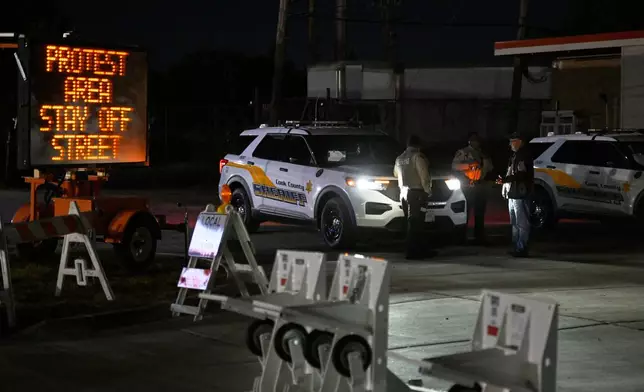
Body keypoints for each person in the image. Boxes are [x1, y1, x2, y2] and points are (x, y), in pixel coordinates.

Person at [394, 135, 432, 259]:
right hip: (416, 193)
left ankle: (414, 250)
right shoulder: (418, 157)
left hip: (403, 193)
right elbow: (424, 176)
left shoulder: (400, 158)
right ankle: (414, 252)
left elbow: (395, 173)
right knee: (417, 223)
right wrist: (427, 192)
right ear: (418, 145)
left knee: (410, 223)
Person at [496, 133, 534, 257]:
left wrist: (506, 180)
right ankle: (517, 247)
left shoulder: (523, 155)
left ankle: (521, 248)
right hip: (513, 193)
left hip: (520, 193)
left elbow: (521, 174)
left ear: (519, 141)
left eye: (513, 141)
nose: (510, 144)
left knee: (521, 222)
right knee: (515, 221)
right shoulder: (515, 155)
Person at [452, 132, 494, 244]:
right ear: (469, 141)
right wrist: (468, 166)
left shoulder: (482, 153)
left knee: (480, 212)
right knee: (465, 212)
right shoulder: (463, 152)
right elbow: (455, 166)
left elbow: (489, 168)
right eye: (474, 140)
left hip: (480, 184)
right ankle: (461, 237)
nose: (476, 143)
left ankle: (479, 237)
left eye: (477, 141)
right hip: (468, 185)